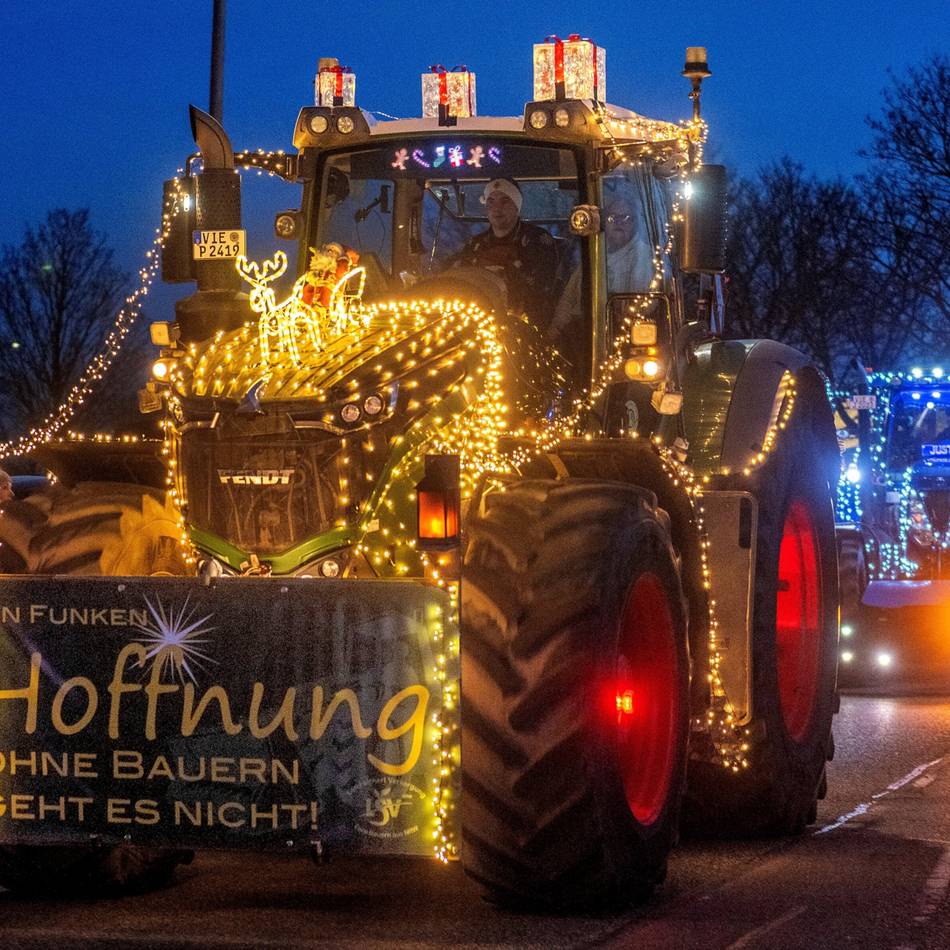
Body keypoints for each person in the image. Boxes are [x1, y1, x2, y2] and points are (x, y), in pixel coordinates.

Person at [447, 178, 558, 324]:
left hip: (522, 323)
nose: (497, 208)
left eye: (505, 201)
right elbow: (457, 276)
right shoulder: (475, 243)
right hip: (475, 319)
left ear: (517, 207)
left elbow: (542, 289)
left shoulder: (539, 240)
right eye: (491, 201)